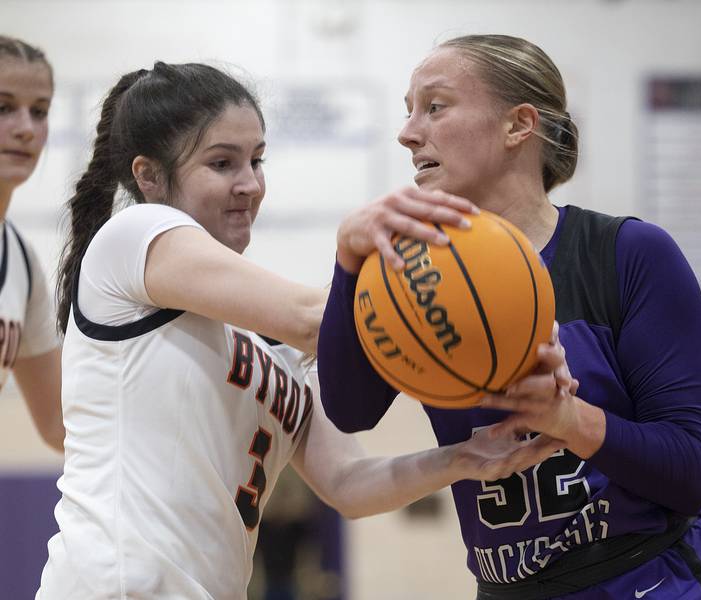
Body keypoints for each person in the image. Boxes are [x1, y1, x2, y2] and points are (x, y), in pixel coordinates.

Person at [36, 60, 560, 600]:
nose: (250, 185)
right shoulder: (134, 235)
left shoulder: (278, 344)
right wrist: (368, 261)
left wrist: (466, 457)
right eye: (222, 163)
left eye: (257, 161)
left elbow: (349, 487)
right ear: (149, 177)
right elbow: (322, 320)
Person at [317, 34, 701, 598]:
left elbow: (688, 474)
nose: (407, 132)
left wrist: (567, 418)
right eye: (408, 111)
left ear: (518, 125)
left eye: (434, 107)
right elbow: (351, 411)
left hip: (648, 579)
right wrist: (348, 262)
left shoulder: (628, 253)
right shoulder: (410, 275)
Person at [0, 35, 63, 451]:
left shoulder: (20, 258)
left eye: (38, 112)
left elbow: (60, 423)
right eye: (3, 108)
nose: (25, 128)